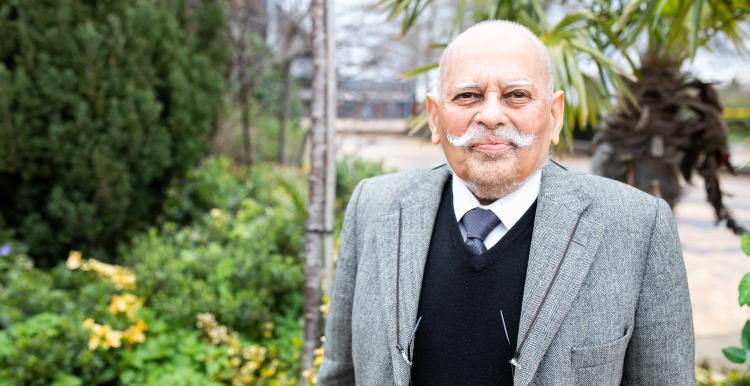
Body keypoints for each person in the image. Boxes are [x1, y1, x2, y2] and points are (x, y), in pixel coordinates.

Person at [318, 20, 694, 386]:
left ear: (554, 114)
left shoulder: (637, 227)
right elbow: (339, 375)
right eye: (468, 95)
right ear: (434, 117)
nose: (492, 115)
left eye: (517, 95)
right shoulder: (374, 207)